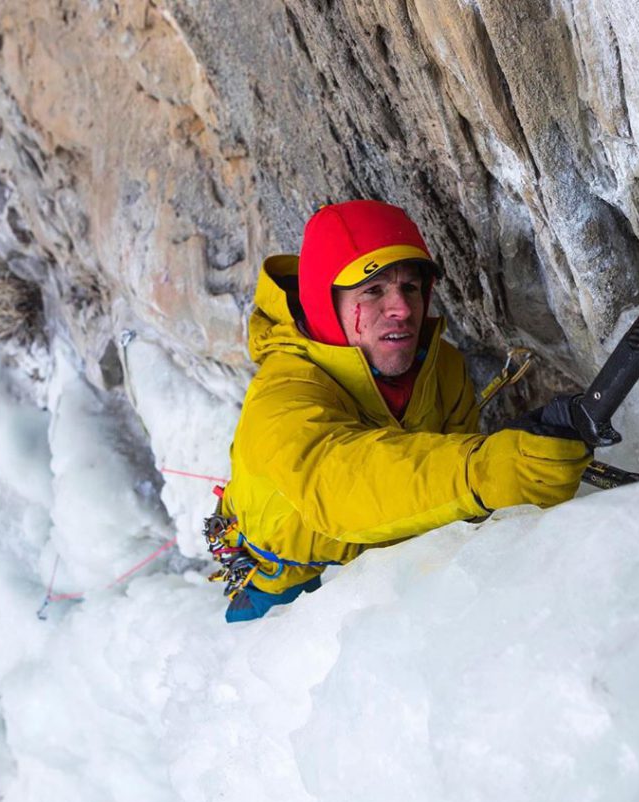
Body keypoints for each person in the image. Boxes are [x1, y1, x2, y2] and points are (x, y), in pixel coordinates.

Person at [218, 199, 590, 622]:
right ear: (326, 303)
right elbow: (338, 488)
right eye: (373, 290)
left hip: (387, 566)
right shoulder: (282, 392)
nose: (401, 308)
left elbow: (454, 502)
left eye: (410, 288)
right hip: (282, 581)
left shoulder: (439, 367)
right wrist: (485, 470)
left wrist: (514, 457)